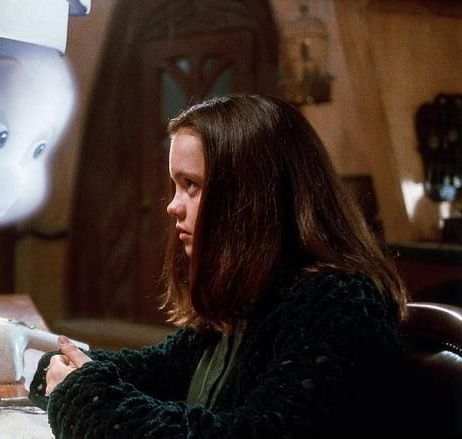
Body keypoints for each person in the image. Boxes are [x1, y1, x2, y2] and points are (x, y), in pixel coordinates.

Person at [28, 95, 408, 438]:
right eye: (176, 186)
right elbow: (157, 370)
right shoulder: (253, 294)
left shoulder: (340, 304)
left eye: (191, 185)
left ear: (250, 197)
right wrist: (67, 368)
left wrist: (82, 393)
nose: (172, 206)